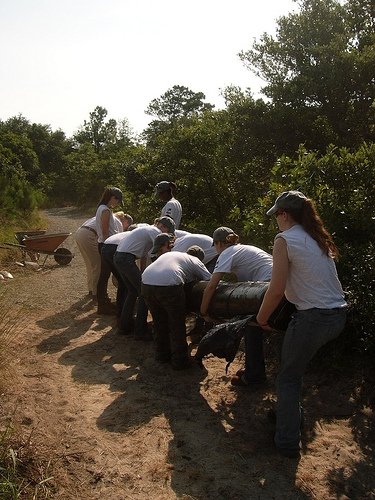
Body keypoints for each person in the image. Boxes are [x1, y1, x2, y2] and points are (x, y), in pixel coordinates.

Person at [256, 190, 347, 458]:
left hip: (313, 320)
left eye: (277, 216)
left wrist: (261, 319)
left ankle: (286, 443)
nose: (276, 221)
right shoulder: (317, 237)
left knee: (288, 378)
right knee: (295, 372)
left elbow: (276, 289)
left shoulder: (284, 239)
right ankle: (291, 419)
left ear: (284, 215)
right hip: (338, 316)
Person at [200, 226, 273, 387]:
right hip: (279, 284)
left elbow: (211, 286)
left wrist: (204, 311)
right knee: (254, 326)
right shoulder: (244, 249)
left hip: (268, 285)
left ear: (218, 243)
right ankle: (253, 369)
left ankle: (254, 377)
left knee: (251, 327)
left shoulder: (227, 252)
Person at [142, 246, 211, 369]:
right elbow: (210, 281)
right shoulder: (195, 261)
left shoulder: (173, 255)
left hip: (146, 282)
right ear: (200, 258)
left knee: (159, 321)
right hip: (170, 285)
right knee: (176, 323)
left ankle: (162, 355)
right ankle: (180, 361)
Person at [113, 216, 176, 338]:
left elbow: (148, 255)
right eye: (167, 232)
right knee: (143, 292)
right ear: (163, 227)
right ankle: (140, 330)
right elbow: (160, 252)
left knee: (132, 291)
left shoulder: (147, 231)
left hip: (119, 257)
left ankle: (124, 326)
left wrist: (147, 270)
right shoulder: (155, 232)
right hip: (126, 259)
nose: (166, 235)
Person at [95, 187, 125, 314]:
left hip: (103, 244)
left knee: (104, 275)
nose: (117, 204)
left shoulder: (101, 208)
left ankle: (103, 303)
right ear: (112, 197)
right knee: (117, 276)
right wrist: (111, 248)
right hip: (108, 245)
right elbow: (106, 231)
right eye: (117, 201)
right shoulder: (106, 210)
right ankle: (108, 304)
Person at [74, 216, 101, 301]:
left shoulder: (99, 216)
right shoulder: (115, 220)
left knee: (90, 264)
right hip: (88, 234)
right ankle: (95, 293)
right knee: (98, 265)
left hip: (80, 232)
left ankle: (91, 290)